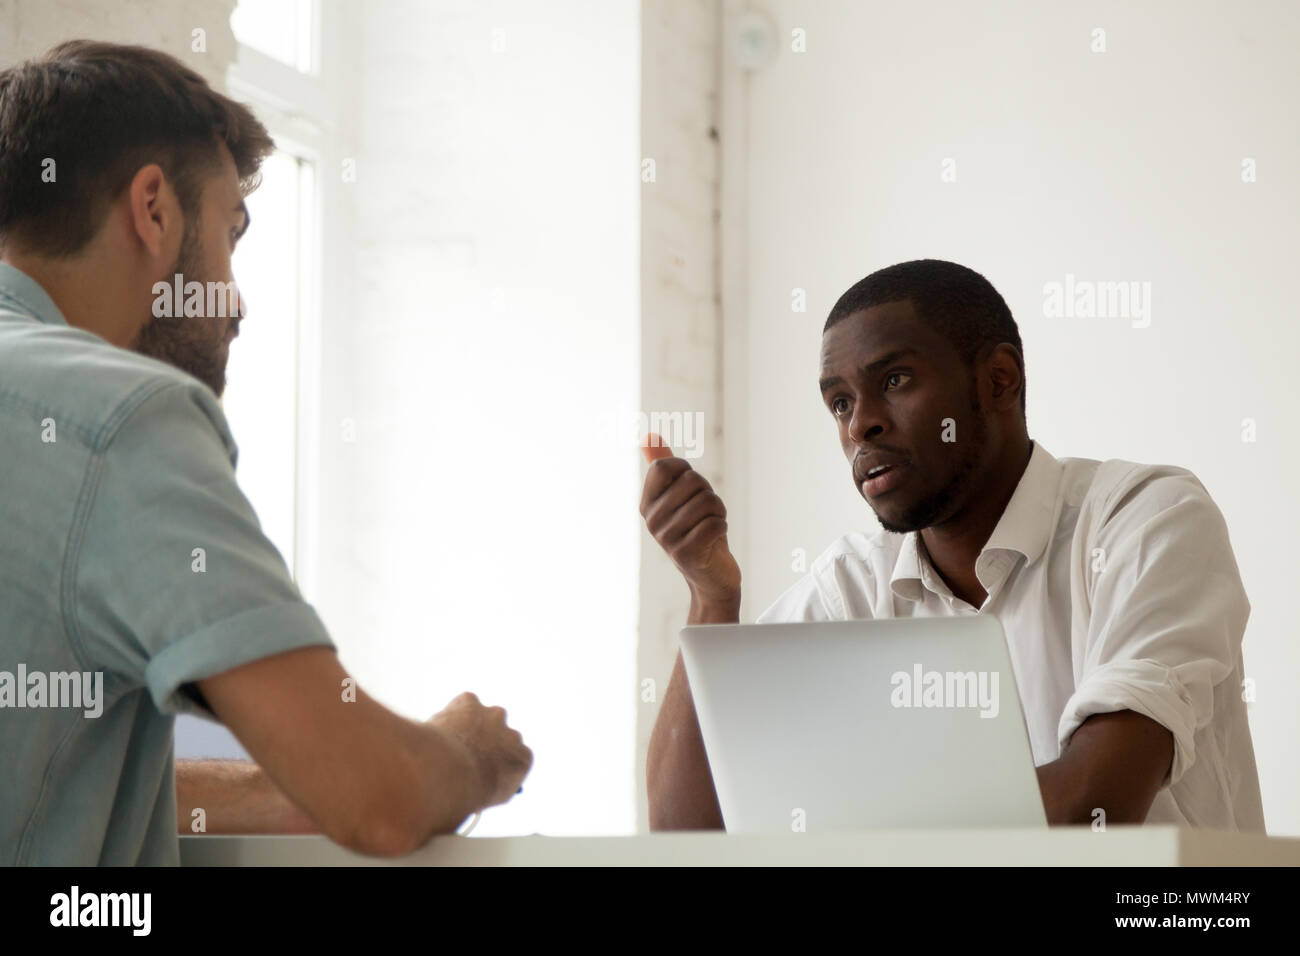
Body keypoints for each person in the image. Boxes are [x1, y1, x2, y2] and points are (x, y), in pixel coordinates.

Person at [0, 40, 531, 865]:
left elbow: (54, 774)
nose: (237, 303)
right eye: (230, 235)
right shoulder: (120, 417)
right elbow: (376, 798)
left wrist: (292, 783)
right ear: (153, 210)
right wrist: (467, 756)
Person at [640, 258, 1263, 832]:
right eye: (840, 403)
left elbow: (1095, 802)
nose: (861, 425)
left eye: (896, 379)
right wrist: (712, 598)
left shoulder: (1146, 519)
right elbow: (689, 835)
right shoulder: (850, 586)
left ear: (999, 379)